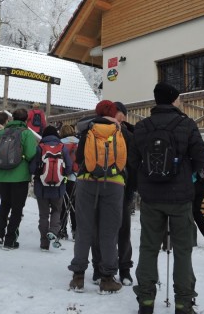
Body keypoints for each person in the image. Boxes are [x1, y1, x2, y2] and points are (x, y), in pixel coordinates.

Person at [130, 82, 204, 314]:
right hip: (181, 197)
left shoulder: (142, 127)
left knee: (148, 248)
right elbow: (201, 157)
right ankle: (183, 303)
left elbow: (133, 162)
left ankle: (145, 300)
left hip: (151, 197)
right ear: (174, 100)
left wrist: (146, 180)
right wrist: (185, 173)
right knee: (183, 250)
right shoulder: (186, 124)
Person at [68, 100, 130, 294]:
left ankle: (78, 277)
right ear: (114, 113)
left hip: (87, 181)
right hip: (114, 183)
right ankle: (107, 278)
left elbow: (79, 158)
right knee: (109, 232)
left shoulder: (88, 129)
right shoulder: (120, 131)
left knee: (84, 229)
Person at [92, 101, 136, 286]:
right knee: (109, 230)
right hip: (108, 188)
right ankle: (103, 269)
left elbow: (133, 163)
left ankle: (118, 269)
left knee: (115, 230)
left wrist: (130, 190)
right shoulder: (96, 130)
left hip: (112, 188)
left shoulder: (127, 133)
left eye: (118, 112)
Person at [0, 108, 38, 249]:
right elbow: (30, 154)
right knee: (17, 208)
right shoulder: (26, 133)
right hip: (19, 176)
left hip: (1, 175)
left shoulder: (3, 132)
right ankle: (10, 240)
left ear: (12, 118)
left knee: (4, 204)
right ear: (26, 119)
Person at [31, 125, 73, 250]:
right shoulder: (63, 148)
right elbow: (69, 167)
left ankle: (44, 244)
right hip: (58, 187)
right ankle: (54, 231)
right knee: (56, 210)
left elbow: (32, 168)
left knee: (43, 215)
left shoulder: (39, 147)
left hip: (41, 187)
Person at [58, 123, 79, 240]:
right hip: (77, 177)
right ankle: (76, 230)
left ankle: (62, 229)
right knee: (75, 205)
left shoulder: (60, 143)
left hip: (63, 177)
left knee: (63, 204)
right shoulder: (79, 142)